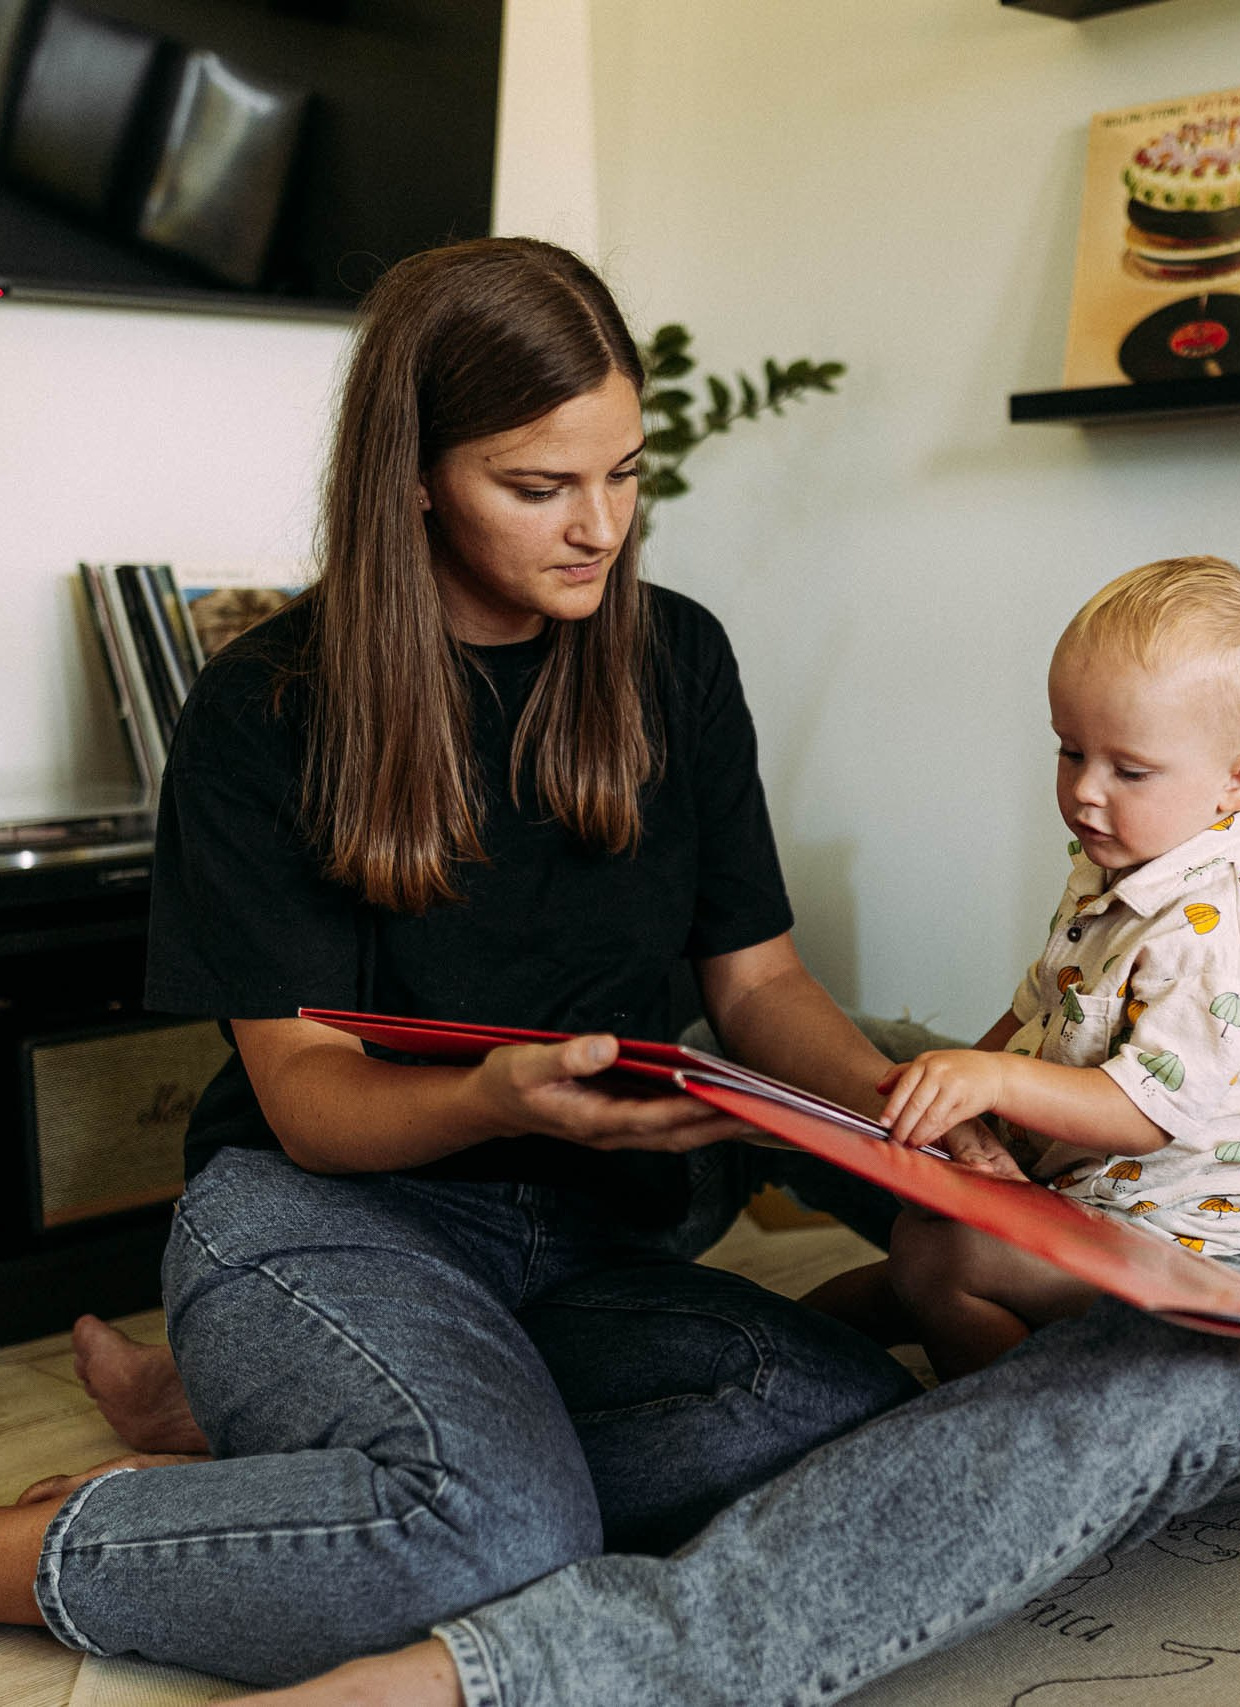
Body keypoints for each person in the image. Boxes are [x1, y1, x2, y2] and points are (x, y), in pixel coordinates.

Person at [204, 238, 1240, 1707]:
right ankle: (344, 1393)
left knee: (1144, 1369)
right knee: (866, 1073)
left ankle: (512, 1673)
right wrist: (948, 1101)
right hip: (1149, 1133)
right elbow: (1096, 961)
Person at [0, 236, 1017, 1683]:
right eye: (537, 486)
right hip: (328, 1213)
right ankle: (47, 1536)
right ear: (412, 473)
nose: (597, 524)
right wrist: (500, 1096)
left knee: (822, 1409)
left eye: (624, 470)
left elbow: (758, 986)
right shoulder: (264, 706)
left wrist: (910, 1114)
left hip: (589, 1238)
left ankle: (280, 1451)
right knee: (493, 1529)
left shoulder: (677, 660)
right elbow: (305, 1096)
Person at [809, 557, 1240, 1379]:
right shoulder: (1115, 866)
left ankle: (1017, 1423)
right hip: (1082, 1187)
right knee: (848, 1301)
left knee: (933, 1261)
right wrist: (959, 1106)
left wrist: (995, 1084)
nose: (1086, 791)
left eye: (1129, 770)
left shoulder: (1221, 938)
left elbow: (1143, 1114)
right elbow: (1036, 1008)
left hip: (1178, 1238)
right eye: (1070, 751)